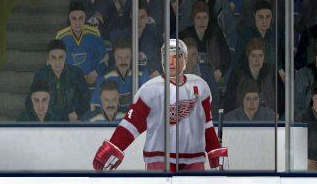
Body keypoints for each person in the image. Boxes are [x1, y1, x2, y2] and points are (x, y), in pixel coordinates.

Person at [92, 39, 228, 172]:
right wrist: (113, 146)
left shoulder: (200, 86)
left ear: (185, 60)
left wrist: (215, 152)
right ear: (162, 61)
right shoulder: (150, 89)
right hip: (159, 160)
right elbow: (131, 125)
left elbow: (206, 125)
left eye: (177, 57)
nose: (172, 62)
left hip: (194, 160)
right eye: (168, 57)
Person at [28, 39, 90, 122]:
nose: (57, 62)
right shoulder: (41, 75)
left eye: (61, 57)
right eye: (53, 58)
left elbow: (86, 98)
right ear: (48, 59)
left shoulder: (76, 72)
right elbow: (29, 101)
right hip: (49, 121)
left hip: (74, 120)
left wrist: (77, 113)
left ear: (65, 57)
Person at [226, 37, 285, 115]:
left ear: (264, 56)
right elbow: (229, 102)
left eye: (260, 56)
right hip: (243, 122)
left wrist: (277, 116)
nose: (257, 60)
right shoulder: (237, 74)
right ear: (248, 56)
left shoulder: (272, 72)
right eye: (253, 56)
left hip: (268, 121)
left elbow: (282, 100)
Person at [56, 1, 109, 87]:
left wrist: (96, 71)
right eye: (74, 18)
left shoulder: (94, 33)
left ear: (85, 18)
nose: (77, 23)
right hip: (68, 85)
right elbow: (52, 62)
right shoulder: (61, 36)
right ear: (69, 18)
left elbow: (105, 58)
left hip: (92, 84)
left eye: (80, 18)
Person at [179, 1, 231, 85]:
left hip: (213, 75)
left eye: (205, 18)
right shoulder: (184, 35)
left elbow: (227, 57)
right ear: (193, 19)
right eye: (198, 18)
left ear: (208, 18)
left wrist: (220, 71)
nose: (202, 21)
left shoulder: (215, 32)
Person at [91, 39, 149, 113]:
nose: (123, 62)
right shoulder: (104, 79)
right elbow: (94, 107)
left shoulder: (142, 77)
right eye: (119, 58)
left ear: (131, 57)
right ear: (114, 57)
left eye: (127, 57)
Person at [234, 0, 285, 79]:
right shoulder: (246, 35)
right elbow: (237, 63)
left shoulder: (277, 34)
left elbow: (284, 58)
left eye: (268, 17)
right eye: (261, 17)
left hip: (274, 79)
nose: (265, 21)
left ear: (272, 16)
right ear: (255, 15)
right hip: (251, 78)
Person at [114, 3, 163, 77]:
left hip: (152, 78)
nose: (139, 22)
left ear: (147, 17)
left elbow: (165, 55)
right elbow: (117, 62)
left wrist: (158, 72)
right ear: (131, 16)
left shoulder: (155, 34)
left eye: (142, 17)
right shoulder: (121, 37)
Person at [183, 37, 220, 118]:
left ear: (197, 56)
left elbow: (214, 98)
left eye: (193, 55)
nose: (189, 60)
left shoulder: (206, 72)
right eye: (186, 56)